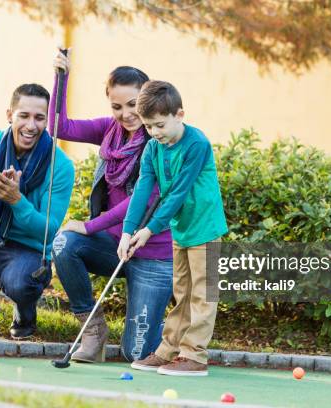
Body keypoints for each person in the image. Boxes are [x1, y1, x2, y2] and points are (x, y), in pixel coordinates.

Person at [50, 49, 173, 363]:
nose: (126, 113)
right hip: (114, 246)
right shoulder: (110, 131)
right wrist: (60, 79)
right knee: (65, 242)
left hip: (151, 254)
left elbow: (142, 200)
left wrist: (91, 225)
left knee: (137, 353)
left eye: (133, 105)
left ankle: (176, 334)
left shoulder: (160, 139)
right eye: (117, 106)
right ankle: (93, 330)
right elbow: (59, 127)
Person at [119, 80, 228, 376]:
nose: (155, 133)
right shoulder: (153, 149)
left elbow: (178, 192)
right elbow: (143, 189)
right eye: (149, 127)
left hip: (204, 227)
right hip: (181, 230)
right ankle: (169, 350)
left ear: (179, 114)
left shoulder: (197, 144)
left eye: (160, 125)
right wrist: (128, 231)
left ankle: (195, 356)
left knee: (202, 294)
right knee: (182, 292)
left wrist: (150, 230)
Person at [0, 83, 75, 339]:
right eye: (23, 115)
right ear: (9, 115)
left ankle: (25, 312)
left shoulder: (61, 165)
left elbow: (48, 230)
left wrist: (17, 200)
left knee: (20, 283)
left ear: (48, 121)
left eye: (39, 118)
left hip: (28, 253)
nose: (31, 125)